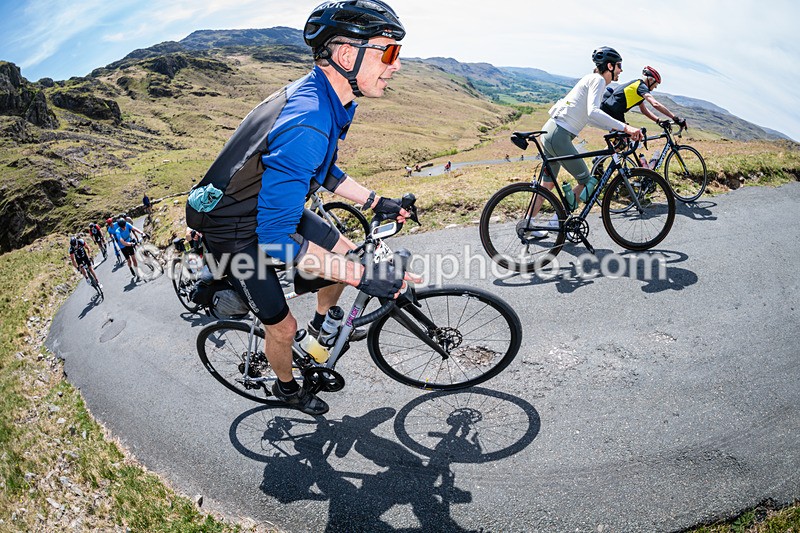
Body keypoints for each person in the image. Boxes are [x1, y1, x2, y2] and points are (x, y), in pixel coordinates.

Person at [186, 0, 420, 416]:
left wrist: (375, 201)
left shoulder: (327, 98)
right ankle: (287, 388)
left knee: (348, 252)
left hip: (262, 207)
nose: (396, 64)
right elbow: (275, 241)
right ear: (346, 54)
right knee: (283, 326)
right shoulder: (308, 118)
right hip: (233, 230)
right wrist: (365, 278)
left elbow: (323, 169)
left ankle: (323, 325)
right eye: (389, 51)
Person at [527, 46, 643, 234]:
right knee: (587, 181)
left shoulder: (591, 79)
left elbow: (589, 118)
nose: (621, 70)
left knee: (546, 186)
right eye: (619, 66)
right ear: (610, 66)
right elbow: (594, 112)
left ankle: (528, 225)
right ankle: (557, 223)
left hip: (551, 132)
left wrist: (615, 128)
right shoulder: (598, 80)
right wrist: (625, 128)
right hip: (559, 136)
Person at [600, 65, 687, 129]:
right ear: (650, 80)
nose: (655, 87)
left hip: (613, 111)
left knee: (624, 141)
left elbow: (644, 110)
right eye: (655, 84)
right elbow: (655, 104)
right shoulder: (641, 86)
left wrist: (658, 121)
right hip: (611, 110)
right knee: (627, 139)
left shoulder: (638, 89)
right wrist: (675, 118)